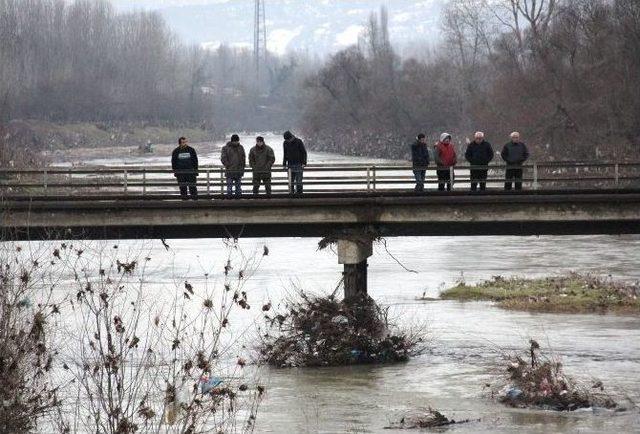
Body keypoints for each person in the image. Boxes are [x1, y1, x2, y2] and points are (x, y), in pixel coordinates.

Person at [282, 131, 307, 195]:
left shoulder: (299, 141)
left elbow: (304, 152)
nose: (288, 141)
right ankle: (291, 194)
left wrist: (304, 162)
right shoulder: (285, 143)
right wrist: (284, 163)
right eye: (286, 140)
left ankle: (299, 195)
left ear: (291, 137)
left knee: (299, 181)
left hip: (299, 164)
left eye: (288, 139)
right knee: (291, 181)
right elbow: (285, 153)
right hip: (290, 164)